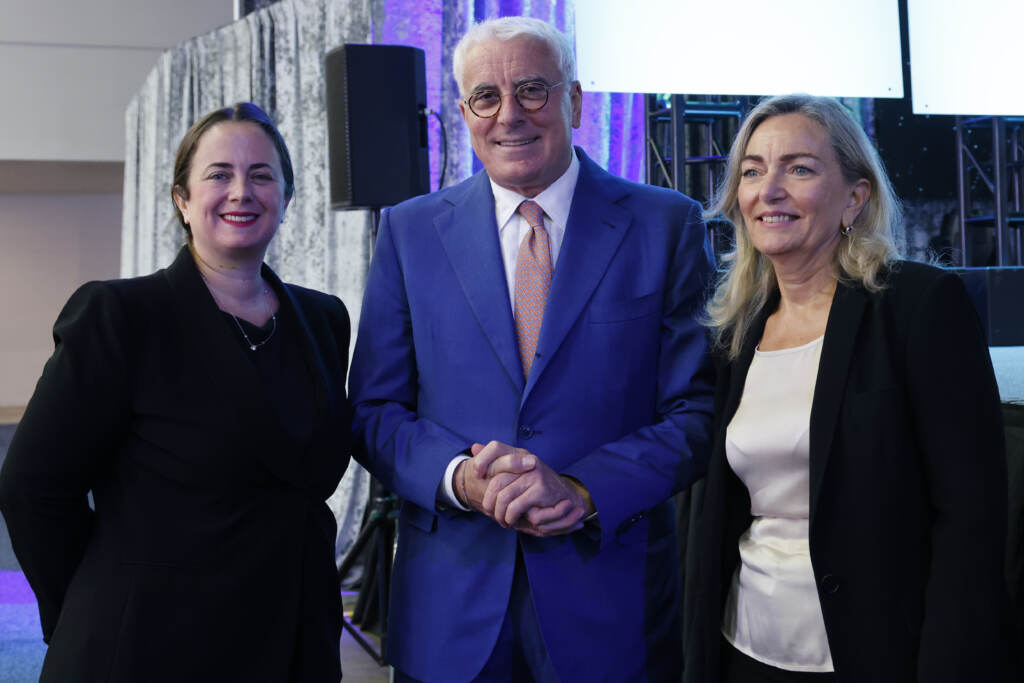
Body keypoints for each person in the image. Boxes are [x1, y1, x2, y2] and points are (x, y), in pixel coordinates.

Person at [348, 15, 715, 683]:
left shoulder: (665, 224)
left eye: (532, 90)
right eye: (486, 96)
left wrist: (583, 488)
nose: (509, 115)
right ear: (465, 112)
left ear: (574, 100)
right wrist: (458, 477)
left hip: (610, 603)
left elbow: (696, 411)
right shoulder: (410, 232)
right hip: (450, 608)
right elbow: (374, 411)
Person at [0, 103, 352, 683]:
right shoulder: (121, 315)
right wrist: (92, 602)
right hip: (152, 643)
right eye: (219, 174)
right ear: (182, 200)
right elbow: (31, 487)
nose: (241, 191)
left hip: (294, 637)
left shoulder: (324, 320)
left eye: (261, 175)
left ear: (287, 198)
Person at [683, 94, 1012, 682]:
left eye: (799, 169)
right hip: (744, 648)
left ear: (855, 197)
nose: (769, 190)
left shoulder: (919, 306)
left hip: (875, 655)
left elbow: (970, 522)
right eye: (753, 171)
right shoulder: (735, 329)